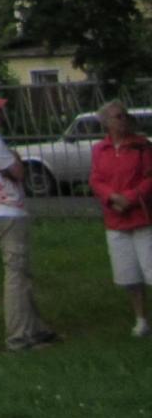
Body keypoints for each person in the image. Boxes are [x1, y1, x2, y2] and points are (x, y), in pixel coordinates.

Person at [0, 89, 57, 351]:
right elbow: (16, 171)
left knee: (21, 271)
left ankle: (35, 327)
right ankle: (19, 336)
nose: (0, 114)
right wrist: (16, 158)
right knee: (16, 273)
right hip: (7, 209)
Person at [88, 100, 152, 338]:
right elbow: (96, 179)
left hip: (142, 217)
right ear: (106, 123)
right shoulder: (100, 150)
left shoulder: (141, 146)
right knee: (128, 274)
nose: (122, 120)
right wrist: (111, 197)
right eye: (117, 117)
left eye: (124, 116)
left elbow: (149, 177)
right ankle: (141, 319)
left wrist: (132, 197)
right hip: (115, 219)